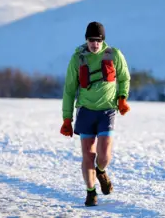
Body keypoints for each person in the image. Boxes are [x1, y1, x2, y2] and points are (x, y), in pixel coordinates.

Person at [60, 21, 131, 207]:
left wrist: (122, 98)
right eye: (91, 40)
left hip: (107, 110)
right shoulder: (78, 58)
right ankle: (91, 192)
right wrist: (67, 119)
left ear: (103, 41)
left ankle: (101, 171)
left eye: (98, 40)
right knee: (87, 155)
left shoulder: (114, 55)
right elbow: (69, 90)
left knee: (105, 154)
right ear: (86, 40)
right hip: (85, 111)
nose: (95, 44)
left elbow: (124, 78)